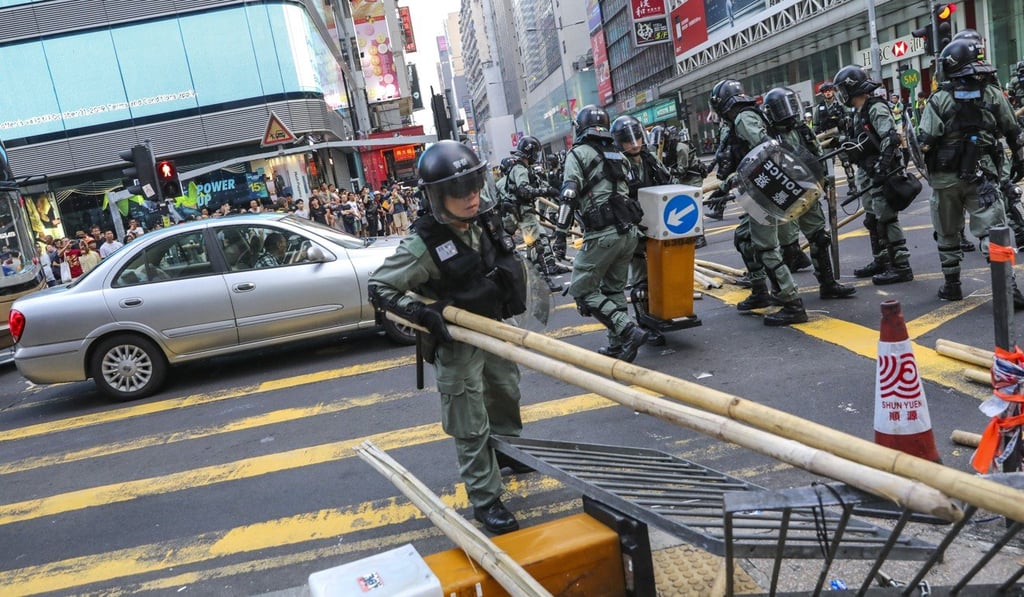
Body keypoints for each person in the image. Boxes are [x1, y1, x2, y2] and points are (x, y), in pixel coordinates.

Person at [368, 140, 528, 535]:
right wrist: (422, 313)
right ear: (438, 197)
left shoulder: (484, 221)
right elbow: (380, 287)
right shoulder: (423, 243)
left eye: (473, 183)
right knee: (469, 421)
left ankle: (507, 451)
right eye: (458, 190)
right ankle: (485, 498)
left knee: (506, 393)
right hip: (458, 342)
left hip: (493, 330)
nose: (471, 196)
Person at [917, 39, 1024, 304]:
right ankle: (1008, 288)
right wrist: (1019, 164)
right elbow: (1014, 132)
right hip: (983, 174)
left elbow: (925, 140)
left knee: (947, 231)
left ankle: (952, 285)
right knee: (993, 230)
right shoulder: (992, 94)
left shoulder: (939, 99)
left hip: (945, 177)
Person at [554, 105, 650, 358]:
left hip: (602, 235)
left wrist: (560, 233)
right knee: (613, 289)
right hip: (628, 233)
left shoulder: (578, 154)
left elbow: (569, 193)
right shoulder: (618, 154)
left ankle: (627, 330)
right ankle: (618, 345)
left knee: (582, 291)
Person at [711, 79, 808, 325]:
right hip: (761, 187)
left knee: (766, 248)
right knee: (744, 238)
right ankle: (762, 292)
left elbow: (762, 152)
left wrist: (730, 181)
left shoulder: (743, 118)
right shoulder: (745, 117)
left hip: (763, 189)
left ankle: (791, 302)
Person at [763, 87, 857, 300]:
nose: (788, 112)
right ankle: (782, 292)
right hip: (783, 195)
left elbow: (817, 155)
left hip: (807, 190)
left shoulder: (802, 130)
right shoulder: (766, 135)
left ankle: (828, 284)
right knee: (787, 246)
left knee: (819, 238)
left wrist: (825, 184)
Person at [834, 65, 914, 285]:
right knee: (872, 219)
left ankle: (901, 265)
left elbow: (891, 138)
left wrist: (882, 167)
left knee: (887, 217)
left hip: (881, 172)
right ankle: (881, 260)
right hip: (867, 171)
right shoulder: (857, 112)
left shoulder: (875, 107)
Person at [610, 114, 672, 346]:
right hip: (633, 226)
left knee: (663, 272)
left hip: (657, 222)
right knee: (640, 278)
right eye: (628, 140)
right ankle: (646, 323)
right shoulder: (616, 163)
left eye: (637, 137)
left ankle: (662, 312)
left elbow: (667, 181)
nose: (635, 143)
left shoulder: (649, 159)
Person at [508, 135, 569, 292]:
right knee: (539, 244)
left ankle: (535, 280)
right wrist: (544, 190)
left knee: (533, 246)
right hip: (522, 213)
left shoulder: (522, 167)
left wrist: (554, 190)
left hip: (523, 212)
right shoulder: (520, 169)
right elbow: (524, 190)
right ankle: (546, 282)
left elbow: (537, 183)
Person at [813, 82, 858, 196]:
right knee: (827, 167)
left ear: (832, 91)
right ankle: (829, 191)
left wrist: (845, 121)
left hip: (840, 136)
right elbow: (815, 125)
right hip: (827, 139)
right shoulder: (819, 108)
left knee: (846, 163)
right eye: (825, 91)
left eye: (829, 90)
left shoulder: (840, 104)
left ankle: (852, 186)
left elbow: (850, 117)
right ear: (822, 94)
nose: (828, 92)